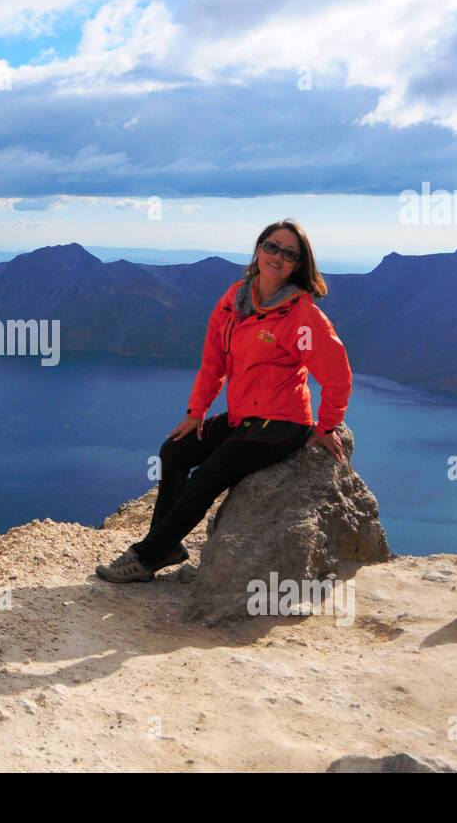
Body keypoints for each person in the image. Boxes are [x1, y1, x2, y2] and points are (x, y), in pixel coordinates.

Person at [96, 218, 353, 583]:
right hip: (244, 417)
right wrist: (196, 412)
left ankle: (146, 556)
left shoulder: (301, 316)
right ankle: (166, 546)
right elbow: (213, 361)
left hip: (283, 423)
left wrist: (326, 425)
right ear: (259, 249)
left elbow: (337, 376)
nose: (277, 256)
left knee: (209, 475)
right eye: (272, 246)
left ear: (299, 264)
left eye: (289, 253)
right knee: (175, 450)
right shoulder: (235, 299)